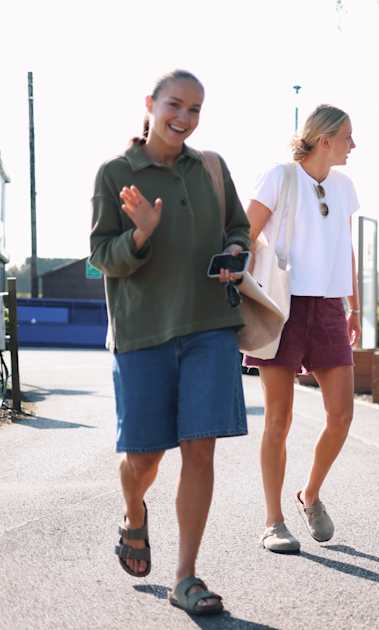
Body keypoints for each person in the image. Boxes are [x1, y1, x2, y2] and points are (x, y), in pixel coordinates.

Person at [90, 69, 249, 614]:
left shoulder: (210, 168)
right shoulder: (115, 174)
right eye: (175, 106)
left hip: (210, 329)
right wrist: (139, 234)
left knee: (200, 448)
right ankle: (134, 512)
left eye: (195, 109)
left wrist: (234, 254)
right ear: (151, 105)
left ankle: (186, 577)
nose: (184, 118)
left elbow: (238, 228)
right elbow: (102, 255)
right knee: (144, 456)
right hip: (143, 332)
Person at [244, 105, 361, 553]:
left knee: (341, 414)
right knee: (279, 418)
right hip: (283, 305)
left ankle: (309, 494)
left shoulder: (345, 186)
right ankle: (274, 522)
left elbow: (345, 248)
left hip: (330, 306)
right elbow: (245, 233)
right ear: (325, 138)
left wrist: (353, 305)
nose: (354, 144)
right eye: (348, 136)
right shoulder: (279, 176)